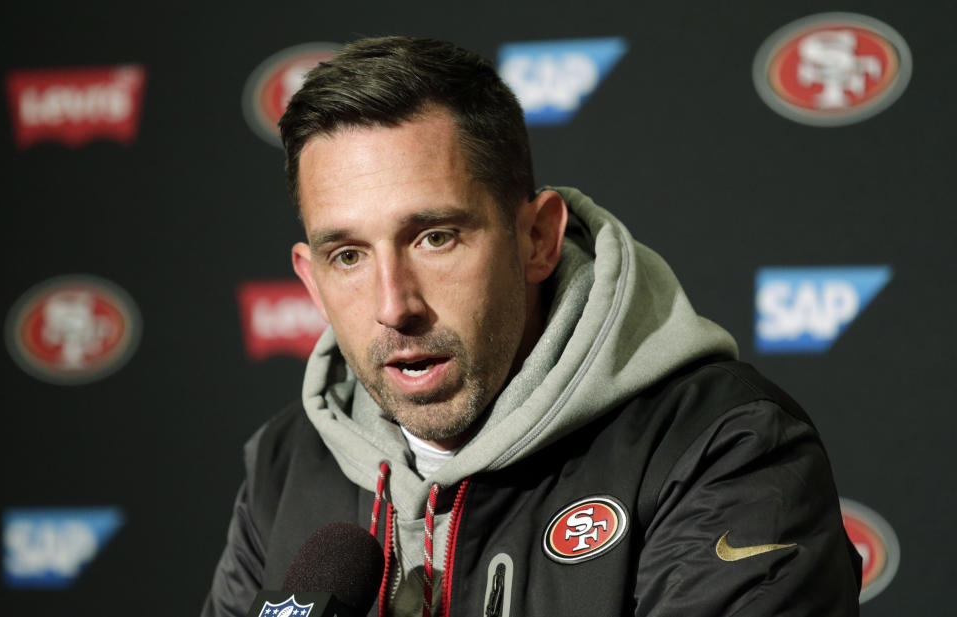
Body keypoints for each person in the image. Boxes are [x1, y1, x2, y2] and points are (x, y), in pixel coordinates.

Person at [202, 36, 861, 617]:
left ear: (537, 239)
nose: (394, 304)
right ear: (311, 281)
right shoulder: (287, 465)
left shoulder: (722, 448)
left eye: (435, 237)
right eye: (347, 255)